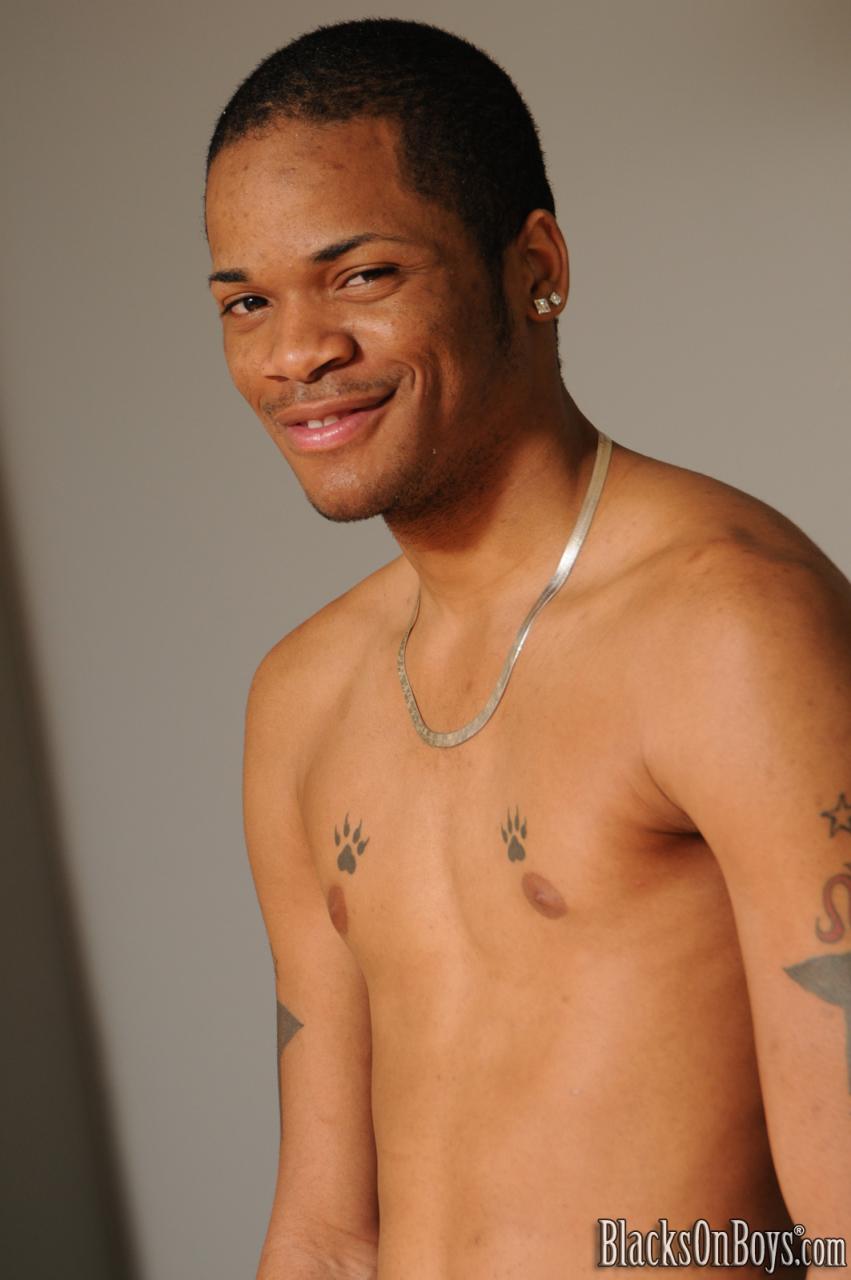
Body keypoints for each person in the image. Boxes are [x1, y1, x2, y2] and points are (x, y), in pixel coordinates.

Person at [204, 18, 851, 1279]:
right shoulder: (302, 695)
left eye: (361, 276)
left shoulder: (723, 625)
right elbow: (327, 1233)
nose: (294, 352)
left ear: (533, 266)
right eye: (246, 302)